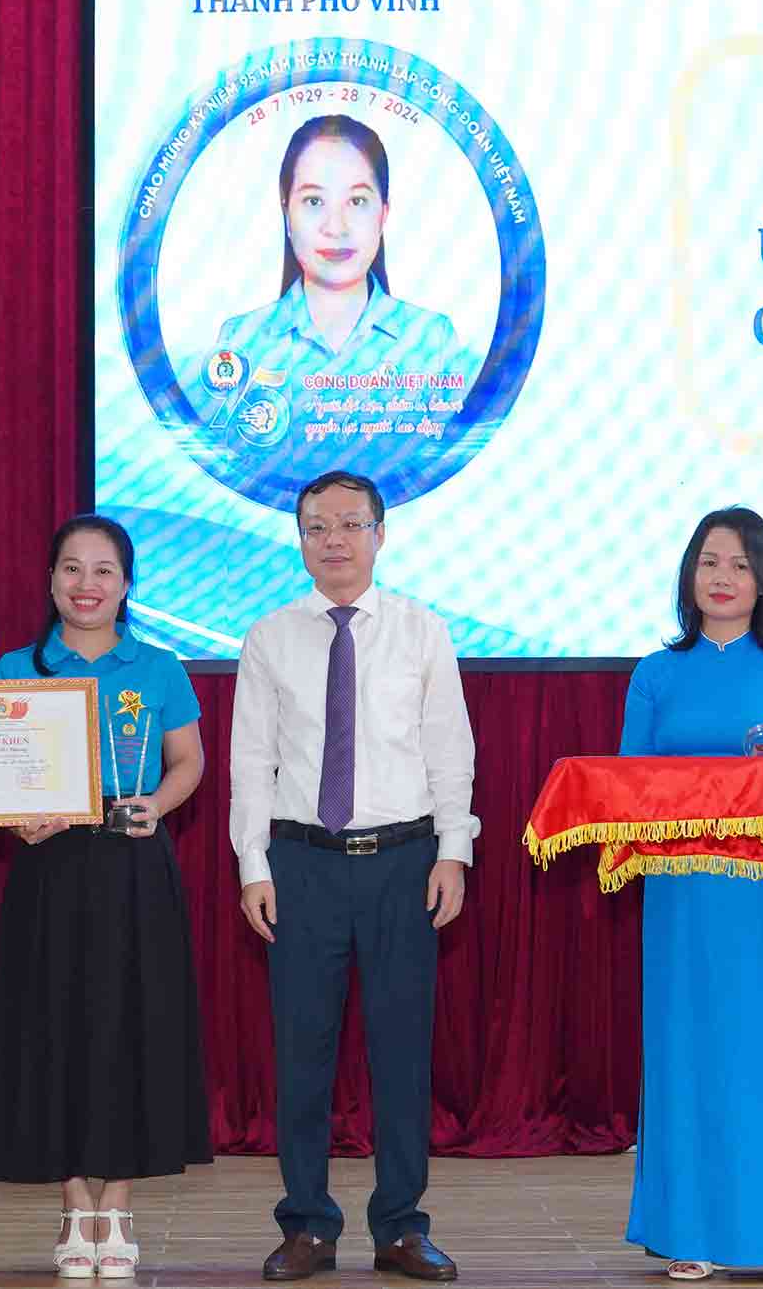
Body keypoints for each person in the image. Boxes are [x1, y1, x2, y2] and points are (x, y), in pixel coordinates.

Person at [229, 469, 477, 1283]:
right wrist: (253, 864)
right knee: (303, 1053)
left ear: (381, 532)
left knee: (402, 1053)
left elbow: (450, 751)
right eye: (315, 526)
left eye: (348, 524)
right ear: (299, 538)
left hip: (404, 863)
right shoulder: (270, 636)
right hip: (301, 865)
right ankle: (307, 1225)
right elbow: (250, 764)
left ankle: (401, 1226)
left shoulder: (420, 631)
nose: (332, 540)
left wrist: (453, 851)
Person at [0, 515, 212, 1278]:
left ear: (127, 584)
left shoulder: (159, 666)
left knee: (132, 1025)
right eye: (72, 569)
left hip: (134, 863)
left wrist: (159, 807)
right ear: (50, 581)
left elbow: (189, 761)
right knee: (56, 1025)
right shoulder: (18, 669)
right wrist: (16, 820)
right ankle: (75, 1202)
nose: (87, 585)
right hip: (50, 869)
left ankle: (119, 1205)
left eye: (103, 570)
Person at [617, 507, 763, 1283]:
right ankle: (690, 1232)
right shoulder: (655, 673)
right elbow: (628, 784)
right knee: (686, 1051)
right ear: (689, 574)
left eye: (741, 565)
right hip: (681, 896)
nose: (722, 577)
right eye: (710, 562)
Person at [197, 116, 477, 480]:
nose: (336, 226)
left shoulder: (431, 339)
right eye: (313, 201)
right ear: (286, 213)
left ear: (384, 214)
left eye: (357, 201)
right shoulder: (242, 340)